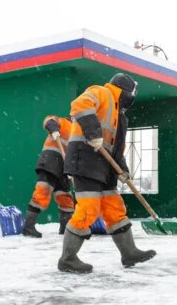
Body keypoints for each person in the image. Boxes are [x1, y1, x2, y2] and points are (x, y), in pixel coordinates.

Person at [58, 73, 156, 273]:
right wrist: (94, 133)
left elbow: (116, 149)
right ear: (125, 91)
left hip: (105, 166)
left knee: (114, 207)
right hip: (85, 160)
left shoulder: (121, 117)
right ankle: (67, 259)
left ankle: (129, 253)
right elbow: (79, 104)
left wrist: (124, 171)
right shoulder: (101, 92)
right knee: (89, 209)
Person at [22, 115, 76, 238]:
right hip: (50, 162)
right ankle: (28, 227)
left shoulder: (80, 131)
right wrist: (54, 129)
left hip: (65, 168)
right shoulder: (61, 121)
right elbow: (48, 120)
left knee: (66, 198)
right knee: (42, 193)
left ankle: (65, 228)